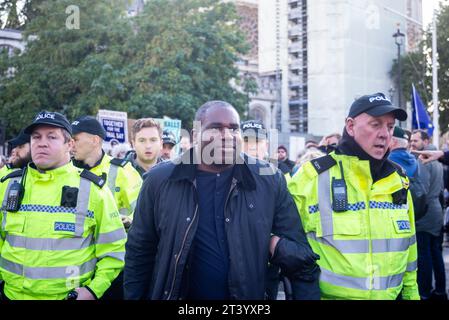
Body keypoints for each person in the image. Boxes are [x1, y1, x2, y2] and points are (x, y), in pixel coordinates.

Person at [124, 100, 320, 300]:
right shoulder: (159, 180)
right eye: (215, 128)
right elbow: (139, 253)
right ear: (195, 136)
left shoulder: (269, 179)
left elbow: (302, 259)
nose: (227, 136)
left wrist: (276, 247)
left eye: (234, 129)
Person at [288, 93, 420, 300]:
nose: (385, 134)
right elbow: (279, 242)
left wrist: (412, 295)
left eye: (390, 126)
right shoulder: (311, 177)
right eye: (375, 125)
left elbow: (409, 249)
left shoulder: (399, 181)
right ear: (350, 126)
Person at [0, 111, 126, 300]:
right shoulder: (7, 185)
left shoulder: (93, 190)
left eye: (52, 137)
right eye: (36, 137)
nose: (42, 142)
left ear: (70, 144)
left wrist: (93, 291)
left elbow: (114, 251)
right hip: (10, 295)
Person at [71, 116, 142, 229]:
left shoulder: (123, 170)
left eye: (75, 139)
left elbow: (142, 207)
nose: (71, 144)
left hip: (112, 242)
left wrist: (130, 220)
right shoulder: (65, 169)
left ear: (95, 140)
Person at [409, 129, 447, 300]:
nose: (412, 144)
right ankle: (440, 290)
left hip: (426, 213)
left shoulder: (424, 159)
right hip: (436, 211)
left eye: (416, 140)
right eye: (411, 140)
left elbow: (420, 191)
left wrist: (415, 214)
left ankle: (424, 293)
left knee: (424, 255)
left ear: (426, 141)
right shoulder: (438, 159)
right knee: (435, 253)